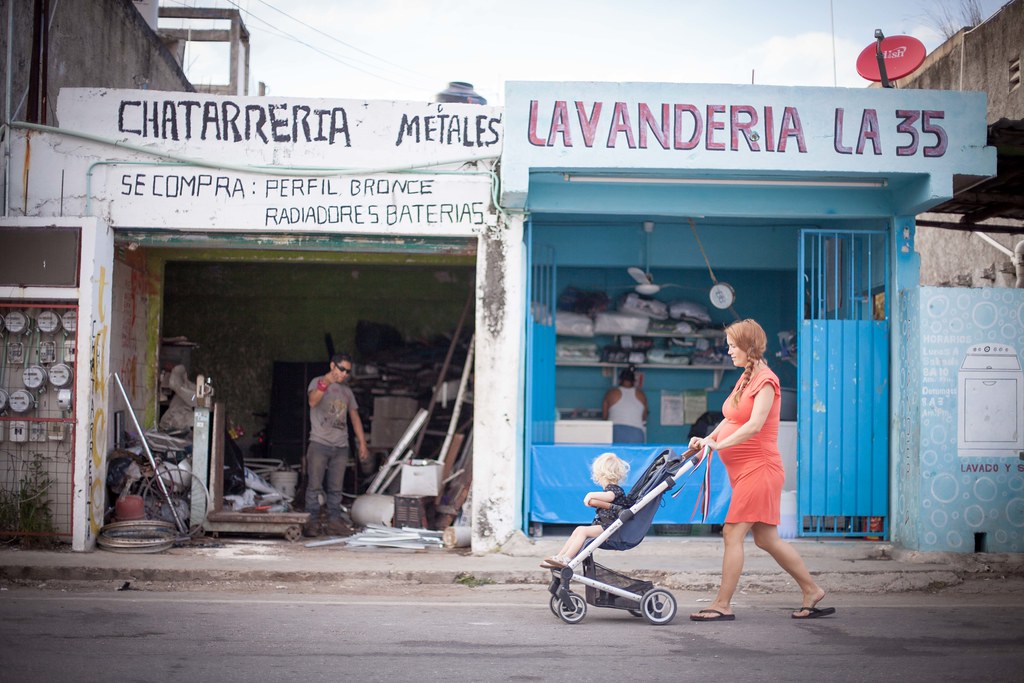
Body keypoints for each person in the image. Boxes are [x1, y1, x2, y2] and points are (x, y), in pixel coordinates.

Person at [688, 319, 835, 621]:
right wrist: (707, 439)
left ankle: (722, 604)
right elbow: (731, 419)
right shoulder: (745, 379)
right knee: (767, 539)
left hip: (760, 468)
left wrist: (719, 445)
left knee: (732, 532)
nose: (729, 351)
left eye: (732, 346)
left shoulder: (766, 380)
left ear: (748, 346)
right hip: (744, 471)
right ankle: (812, 590)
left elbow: (755, 425)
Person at [304, 352, 369, 537]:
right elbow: (312, 401)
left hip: (341, 446)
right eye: (342, 369)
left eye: (348, 371)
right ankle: (312, 523)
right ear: (333, 366)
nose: (345, 374)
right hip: (319, 443)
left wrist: (362, 443)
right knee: (314, 486)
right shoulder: (317, 381)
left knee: (336, 488)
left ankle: (334, 522)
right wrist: (326, 381)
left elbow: (354, 418)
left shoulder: (347, 391)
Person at [541, 452, 631, 568]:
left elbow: (610, 497)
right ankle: (560, 556)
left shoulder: (614, 489)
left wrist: (590, 495)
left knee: (583, 531)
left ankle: (567, 558)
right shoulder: (613, 489)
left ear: (601, 475)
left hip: (610, 528)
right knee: (579, 529)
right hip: (606, 526)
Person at [602, 366, 649, 443]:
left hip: (615, 431)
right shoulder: (641, 395)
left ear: (620, 380)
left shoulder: (611, 393)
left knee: (615, 455)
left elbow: (604, 417)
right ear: (634, 381)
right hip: (636, 432)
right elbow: (644, 417)